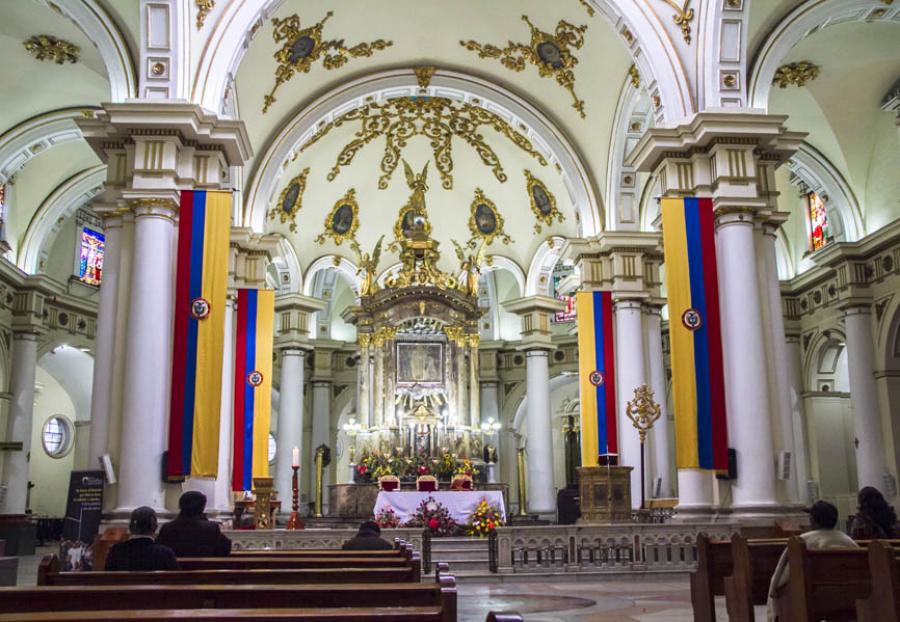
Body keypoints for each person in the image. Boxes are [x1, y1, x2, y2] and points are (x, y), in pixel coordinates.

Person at [766, 500, 858, 621]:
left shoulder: (802, 541)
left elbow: (781, 577)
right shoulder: (848, 542)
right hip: (846, 598)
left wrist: (772, 591)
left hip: (811, 599)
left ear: (813, 520)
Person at [157, 491, 232, 557]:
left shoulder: (167, 528)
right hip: (204, 570)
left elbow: (160, 550)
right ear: (201, 508)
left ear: (180, 506)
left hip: (174, 570)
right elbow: (225, 549)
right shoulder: (211, 527)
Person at [105, 506, 179, 571]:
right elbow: (176, 579)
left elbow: (107, 577)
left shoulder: (116, 551)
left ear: (130, 526)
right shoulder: (165, 553)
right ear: (155, 526)